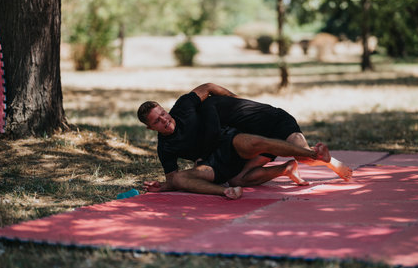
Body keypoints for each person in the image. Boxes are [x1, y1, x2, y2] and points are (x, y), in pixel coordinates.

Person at [137, 83, 332, 199]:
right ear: (150, 128)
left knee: (251, 143)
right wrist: (162, 187)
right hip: (213, 162)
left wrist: (235, 99)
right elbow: (173, 179)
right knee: (234, 180)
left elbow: (208, 87)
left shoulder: (184, 106)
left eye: (163, 113)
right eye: (157, 121)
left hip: (228, 141)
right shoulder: (165, 147)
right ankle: (227, 191)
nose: (164, 119)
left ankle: (312, 153)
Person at [198, 94, 352, 186]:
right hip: (258, 141)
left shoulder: (208, 107)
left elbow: (210, 141)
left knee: (303, 156)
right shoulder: (202, 122)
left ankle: (330, 161)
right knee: (237, 180)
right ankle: (286, 169)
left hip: (276, 123)